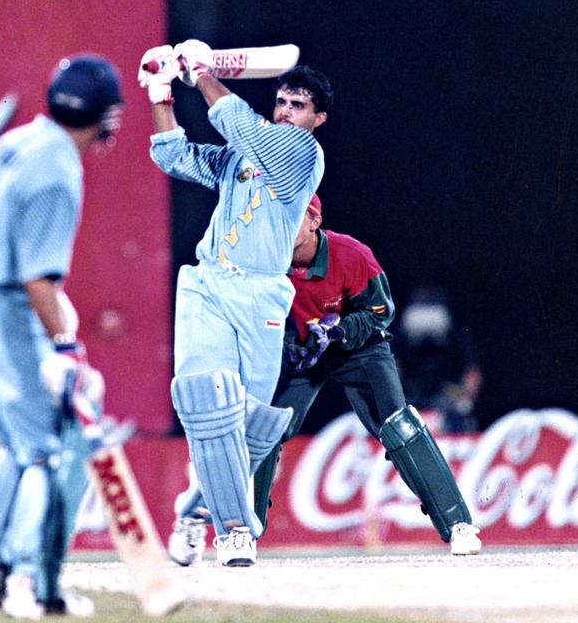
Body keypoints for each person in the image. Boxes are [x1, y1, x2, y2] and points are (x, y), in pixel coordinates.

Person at [166, 196, 481, 564]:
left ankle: (458, 524)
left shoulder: (351, 254)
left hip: (359, 351)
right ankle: (242, 533)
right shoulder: (265, 263)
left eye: (289, 218)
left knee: (401, 426)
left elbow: (382, 312)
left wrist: (341, 331)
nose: (277, 227)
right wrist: (289, 345)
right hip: (305, 358)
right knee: (262, 428)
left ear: (314, 221)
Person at [0, 54, 123, 619]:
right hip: (3, 311)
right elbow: (37, 279)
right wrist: (65, 346)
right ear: (106, 114)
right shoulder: (59, 172)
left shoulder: (18, 142)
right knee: (44, 450)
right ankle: (28, 583)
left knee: (18, 446)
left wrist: (57, 327)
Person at [138, 39, 329, 567]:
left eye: (299, 105)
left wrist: (199, 73)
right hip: (211, 284)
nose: (287, 110)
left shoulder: (301, 154)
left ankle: (192, 510)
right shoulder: (243, 155)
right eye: (282, 101)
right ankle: (234, 530)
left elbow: (238, 124)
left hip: (264, 294)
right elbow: (177, 156)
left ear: (317, 119)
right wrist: (160, 93)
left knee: (255, 430)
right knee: (208, 400)